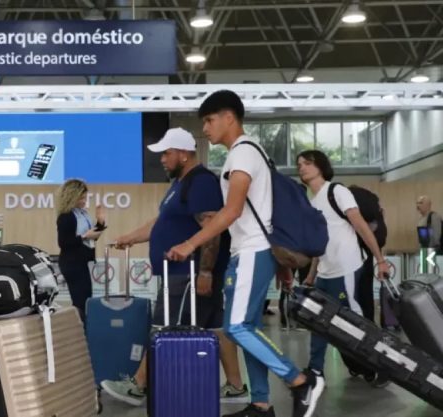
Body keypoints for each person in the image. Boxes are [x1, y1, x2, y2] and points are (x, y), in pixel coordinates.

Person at [168, 90, 324, 417]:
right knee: (247, 327)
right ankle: (261, 403)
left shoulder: (242, 153)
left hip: (253, 249)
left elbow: (231, 211)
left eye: (210, 120)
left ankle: (299, 380)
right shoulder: (249, 153)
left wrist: (190, 243)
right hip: (253, 250)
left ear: (229, 118)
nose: (206, 129)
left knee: (237, 328)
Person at [99, 128, 248, 407]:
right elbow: (161, 223)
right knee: (216, 329)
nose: (162, 160)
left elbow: (212, 229)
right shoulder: (181, 184)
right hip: (185, 274)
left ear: (183, 153)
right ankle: (237, 387)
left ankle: (138, 386)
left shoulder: (200, 182)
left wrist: (204, 272)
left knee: (164, 328)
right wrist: (130, 237)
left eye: (167, 153)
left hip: (186, 274)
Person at [296, 150, 391, 387]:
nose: (302, 168)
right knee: (317, 319)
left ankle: (378, 366)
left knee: (354, 322)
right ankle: (316, 370)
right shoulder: (311, 201)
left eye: (308, 163)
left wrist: (379, 260)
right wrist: (310, 275)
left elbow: (360, 226)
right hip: (325, 272)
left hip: (347, 267)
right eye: (299, 165)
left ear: (321, 166)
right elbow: (320, 243)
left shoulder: (337, 192)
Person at [55, 179, 106, 320]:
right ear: (72, 197)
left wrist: (100, 223)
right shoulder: (66, 217)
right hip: (71, 263)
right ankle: (79, 332)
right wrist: (84, 236)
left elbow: (91, 237)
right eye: (82, 198)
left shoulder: (82, 215)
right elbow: (64, 242)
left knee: (86, 300)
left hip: (81, 262)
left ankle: (83, 330)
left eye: (85, 197)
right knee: (80, 302)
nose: (84, 201)